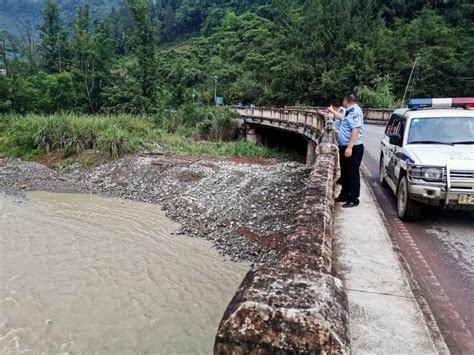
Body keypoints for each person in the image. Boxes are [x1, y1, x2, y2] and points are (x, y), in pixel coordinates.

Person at [328, 93, 364, 208]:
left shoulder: (355, 111)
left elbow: (355, 129)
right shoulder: (349, 110)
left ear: (346, 100)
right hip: (345, 146)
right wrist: (333, 112)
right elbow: (343, 119)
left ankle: (353, 198)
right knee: (345, 172)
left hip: (353, 147)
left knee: (352, 173)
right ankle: (344, 194)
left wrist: (349, 147)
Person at [329, 99, 346, 185]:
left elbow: (342, 119)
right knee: (342, 161)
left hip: (345, 142)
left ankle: (344, 180)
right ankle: (342, 178)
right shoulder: (339, 111)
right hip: (341, 140)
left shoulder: (342, 111)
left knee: (345, 163)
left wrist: (332, 111)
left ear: (334, 106)